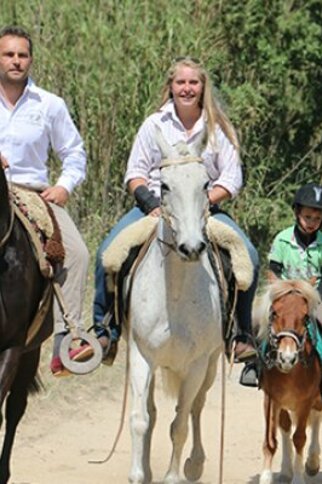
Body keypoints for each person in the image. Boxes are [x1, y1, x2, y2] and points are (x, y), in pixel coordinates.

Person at [75, 56, 259, 366]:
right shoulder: (154, 124)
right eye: (181, 82)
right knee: (108, 253)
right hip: (154, 208)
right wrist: (151, 204)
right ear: (171, 86)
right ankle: (106, 331)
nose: (187, 88)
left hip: (205, 209)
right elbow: (135, 171)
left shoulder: (219, 127)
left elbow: (231, 178)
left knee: (249, 256)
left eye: (193, 82)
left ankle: (238, 335)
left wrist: (200, 203)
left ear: (203, 87)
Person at [0, 25, 91, 376]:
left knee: (78, 253)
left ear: (31, 60)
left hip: (33, 194)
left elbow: (74, 153)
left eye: (22, 55)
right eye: (9, 54)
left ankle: (69, 338)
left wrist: (64, 187)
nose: (16, 61)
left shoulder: (49, 104)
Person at [240, 182, 322, 387]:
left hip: (315, 296)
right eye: (307, 217)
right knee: (258, 317)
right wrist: (280, 293)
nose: (312, 223)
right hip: (283, 293)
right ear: (296, 213)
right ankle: (254, 364)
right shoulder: (283, 239)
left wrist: (313, 296)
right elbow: (274, 272)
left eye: (318, 218)